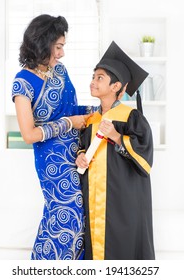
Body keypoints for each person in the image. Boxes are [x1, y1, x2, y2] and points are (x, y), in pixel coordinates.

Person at [11, 14, 93, 260]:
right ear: (42, 43)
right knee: (68, 211)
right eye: (58, 47)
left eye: (62, 47)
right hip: (52, 162)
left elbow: (71, 110)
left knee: (80, 216)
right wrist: (68, 123)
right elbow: (29, 134)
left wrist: (99, 111)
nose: (61, 53)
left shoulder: (59, 71)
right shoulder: (22, 83)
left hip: (77, 154)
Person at [76, 41, 155, 260]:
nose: (93, 82)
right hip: (94, 199)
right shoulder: (91, 119)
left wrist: (116, 136)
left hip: (122, 200)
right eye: (93, 77)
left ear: (116, 86)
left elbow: (145, 157)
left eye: (99, 78)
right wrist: (81, 156)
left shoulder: (131, 118)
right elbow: (82, 147)